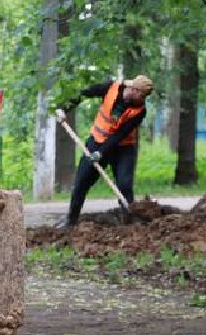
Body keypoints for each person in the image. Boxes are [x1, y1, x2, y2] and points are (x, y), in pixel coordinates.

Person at [64, 75, 154, 227]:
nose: (143, 99)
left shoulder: (140, 111)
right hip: (96, 142)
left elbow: (120, 135)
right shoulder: (111, 88)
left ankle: (129, 225)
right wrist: (65, 109)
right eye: (142, 95)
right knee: (81, 183)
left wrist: (101, 153)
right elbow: (86, 92)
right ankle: (71, 222)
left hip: (123, 149)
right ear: (134, 89)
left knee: (125, 186)